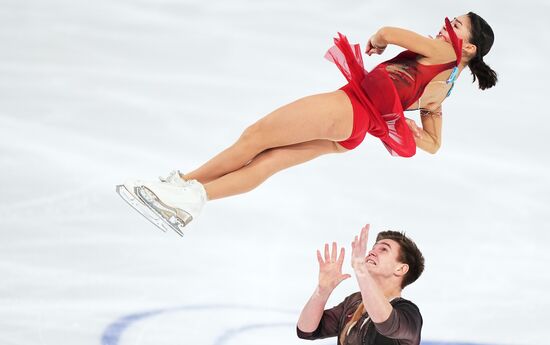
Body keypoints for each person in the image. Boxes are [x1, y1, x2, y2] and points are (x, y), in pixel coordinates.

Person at [117, 13, 498, 235]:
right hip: (353, 131)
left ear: (468, 48)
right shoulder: (445, 89)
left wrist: (377, 41)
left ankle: (184, 187)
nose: (446, 25)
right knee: (269, 160)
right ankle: (189, 197)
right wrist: (416, 134)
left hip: (351, 108)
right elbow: (434, 143)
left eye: (456, 25)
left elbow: (389, 32)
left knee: (256, 137)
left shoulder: (445, 51)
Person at [297, 225, 425, 345]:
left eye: (384, 249)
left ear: (400, 269)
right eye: (373, 248)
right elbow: (306, 330)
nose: (372, 252)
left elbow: (386, 323)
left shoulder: (409, 314)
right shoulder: (353, 303)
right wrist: (322, 291)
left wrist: (361, 271)